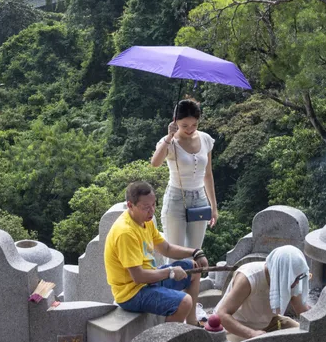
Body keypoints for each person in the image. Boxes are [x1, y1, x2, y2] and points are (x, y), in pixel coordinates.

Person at [104, 181, 209, 324]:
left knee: (194, 268)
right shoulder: (125, 232)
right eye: (146, 207)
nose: (151, 211)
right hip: (131, 293)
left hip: (150, 280)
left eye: (154, 205)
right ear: (130, 205)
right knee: (184, 302)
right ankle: (168, 337)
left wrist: (196, 252)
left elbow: (166, 248)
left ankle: (192, 323)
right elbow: (138, 276)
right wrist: (170, 271)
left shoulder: (146, 221)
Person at [150, 99, 218, 251]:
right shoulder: (169, 142)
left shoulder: (205, 139)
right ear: (175, 122)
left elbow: (208, 174)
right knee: (175, 253)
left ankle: (194, 276)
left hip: (200, 198)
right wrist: (169, 137)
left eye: (194, 124)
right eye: (184, 126)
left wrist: (213, 206)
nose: (190, 129)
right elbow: (155, 163)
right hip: (176, 198)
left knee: (195, 254)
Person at [214, 246, 311, 341]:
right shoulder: (249, 278)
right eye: (295, 278)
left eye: (299, 277)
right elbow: (222, 314)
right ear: (283, 274)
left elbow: (303, 311)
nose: (298, 282)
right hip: (238, 326)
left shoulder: (291, 279)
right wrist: (251, 333)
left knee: (306, 335)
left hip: (270, 323)